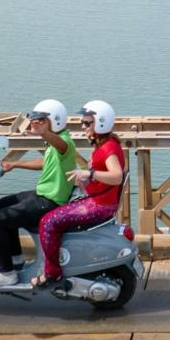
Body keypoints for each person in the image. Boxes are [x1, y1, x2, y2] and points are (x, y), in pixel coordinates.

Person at [0, 100, 78, 288]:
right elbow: (46, 161)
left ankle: (6, 273)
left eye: (41, 119)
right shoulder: (54, 143)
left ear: (53, 121)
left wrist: (44, 133)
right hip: (43, 195)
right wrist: (15, 164)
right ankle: (15, 260)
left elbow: (62, 146)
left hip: (49, 201)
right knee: (3, 204)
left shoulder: (65, 142)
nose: (36, 122)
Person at [35, 99, 127, 284]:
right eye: (82, 123)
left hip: (99, 206)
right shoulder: (105, 144)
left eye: (86, 123)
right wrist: (86, 180)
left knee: (48, 222)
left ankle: (52, 272)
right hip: (99, 201)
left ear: (100, 122)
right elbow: (105, 180)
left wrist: (90, 173)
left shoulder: (107, 147)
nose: (83, 127)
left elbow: (116, 176)